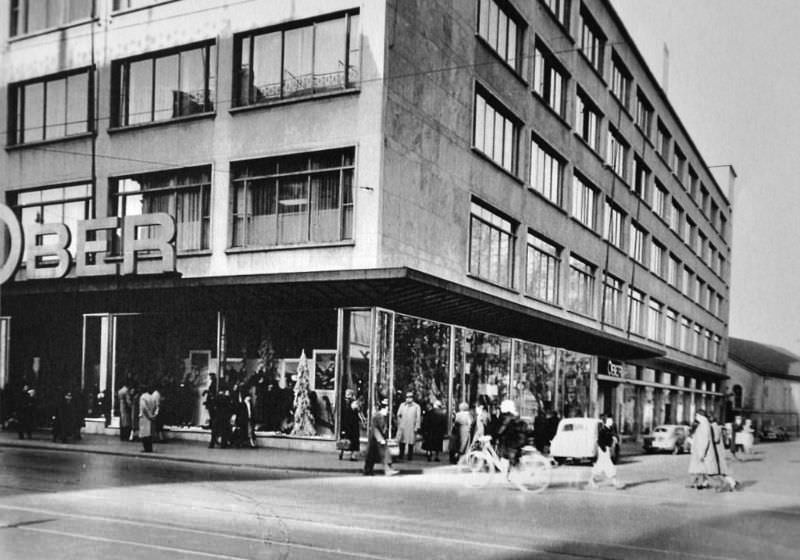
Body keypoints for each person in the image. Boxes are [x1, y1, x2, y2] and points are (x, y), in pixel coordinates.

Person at [587, 417, 624, 490]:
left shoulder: (609, 430)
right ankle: (615, 482)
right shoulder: (603, 431)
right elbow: (600, 441)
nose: (611, 422)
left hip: (606, 450)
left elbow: (613, 437)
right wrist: (604, 449)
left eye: (612, 421)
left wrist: (614, 440)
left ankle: (592, 480)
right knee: (609, 466)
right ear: (606, 422)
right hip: (603, 450)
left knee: (600, 466)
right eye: (610, 421)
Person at [364, 399, 398, 476]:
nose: (388, 411)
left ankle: (386, 469)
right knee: (376, 455)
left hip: (378, 439)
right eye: (387, 409)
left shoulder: (383, 416)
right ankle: (371, 470)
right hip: (375, 439)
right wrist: (380, 439)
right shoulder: (377, 416)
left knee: (379, 455)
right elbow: (374, 428)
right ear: (384, 408)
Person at [687, 410, 717, 489]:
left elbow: (704, 440)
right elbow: (697, 437)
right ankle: (700, 483)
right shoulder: (701, 424)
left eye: (697, 415)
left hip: (702, 451)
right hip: (699, 450)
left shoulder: (704, 424)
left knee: (704, 469)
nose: (696, 417)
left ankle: (702, 483)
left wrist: (702, 453)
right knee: (700, 469)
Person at [709, 414, 738, 492]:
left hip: (717, 452)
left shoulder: (714, 427)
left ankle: (730, 483)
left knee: (718, 471)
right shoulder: (717, 427)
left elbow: (716, 439)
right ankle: (732, 483)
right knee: (720, 470)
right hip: (718, 451)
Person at [495, 400, 527, 469]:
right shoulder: (514, 415)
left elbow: (503, 428)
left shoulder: (508, 417)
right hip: (519, 438)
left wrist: (496, 434)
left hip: (515, 440)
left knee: (507, 451)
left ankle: (514, 468)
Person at [395, 391, 421, 461]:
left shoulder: (416, 407)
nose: (408, 399)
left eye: (410, 397)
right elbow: (398, 415)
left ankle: (410, 457)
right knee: (402, 442)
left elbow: (418, 418)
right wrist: (399, 423)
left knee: (410, 443)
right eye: (407, 397)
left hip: (411, 427)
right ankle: (401, 455)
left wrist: (417, 427)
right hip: (403, 426)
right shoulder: (402, 405)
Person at [339, 389, 361, 461]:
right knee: (353, 439)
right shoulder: (353, 402)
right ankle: (352, 455)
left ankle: (341, 452)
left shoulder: (343, 402)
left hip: (345, 423)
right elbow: (357, 411)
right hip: (353, 424)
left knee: (345, 438)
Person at [139, 385, 159, 453]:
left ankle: (146, 448)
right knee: (149, 434)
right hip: (151, 418)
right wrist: (153, 415)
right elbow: (155, 406)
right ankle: (150, 448)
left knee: (144, 434)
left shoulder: (143, 397)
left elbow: (144, 407)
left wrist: (149, 415)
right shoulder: (152, 397)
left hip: (144, 417)